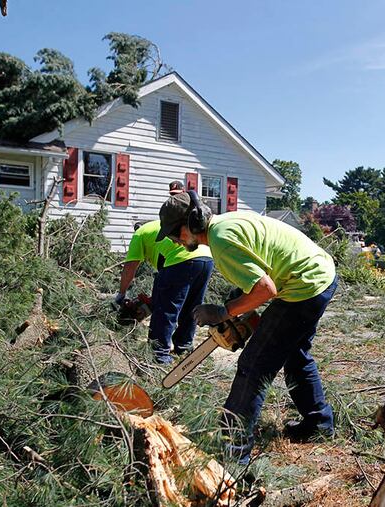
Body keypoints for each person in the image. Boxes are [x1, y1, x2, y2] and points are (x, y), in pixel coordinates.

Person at [155, 190, 337, 463]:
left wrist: (223, 312)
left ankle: (234, 450)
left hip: (303, 286)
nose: (175, 241)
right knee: (295, 353)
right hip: (320, 273)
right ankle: (319, 424)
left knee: (253, 366)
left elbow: (265, 290)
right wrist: (236, 303)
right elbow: (257, 270)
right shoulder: (226, 223)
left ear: (191, 223)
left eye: (175, 234)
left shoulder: (221, 241)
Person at [116, 180, 213, 364]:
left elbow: (130, 269)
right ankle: (184, 348)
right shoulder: (159, 226)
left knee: (165, 310)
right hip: (206, 257)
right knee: (192, 305)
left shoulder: (139, 234)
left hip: (181, 259)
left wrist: (121, 294)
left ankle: (159, 355)